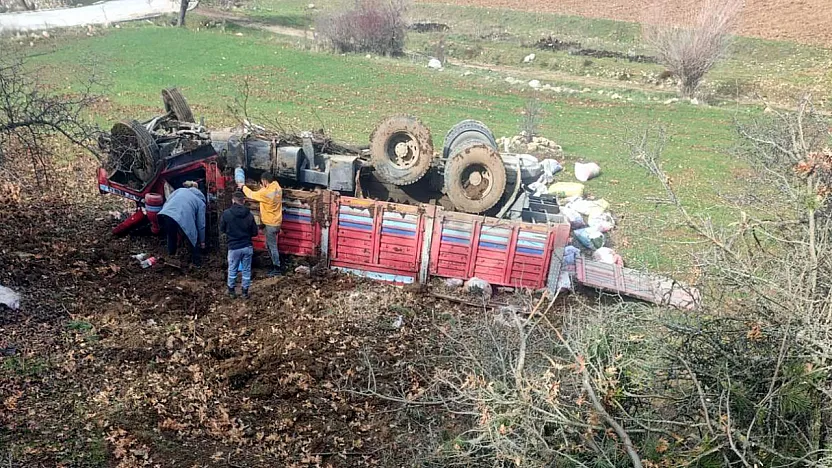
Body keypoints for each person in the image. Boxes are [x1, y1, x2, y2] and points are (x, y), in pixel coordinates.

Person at [239, 171, 283, 277]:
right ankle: (274, 263)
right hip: (277, 221)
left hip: (270, 223)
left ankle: (277, 268)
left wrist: (243, 186)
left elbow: (251, 194)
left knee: (272, 246)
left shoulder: (265, 194)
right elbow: (265, 190)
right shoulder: (277, 187)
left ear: (264, 181)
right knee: (270, 245)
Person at [220, 190, 259, 299]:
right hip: (247, 246)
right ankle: (245, 292)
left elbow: (222, 229)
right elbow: (255, 232)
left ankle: (231, 291)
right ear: (243, 201)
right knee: (246, 270)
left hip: (233, 247)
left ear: (233, 201)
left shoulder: (226, 214)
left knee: (232, 269)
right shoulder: (249, 215)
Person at [158, 181, 206, 267]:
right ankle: (197, 263)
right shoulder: (200, 202)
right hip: (183, 216)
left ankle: (171, 256)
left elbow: (168, 201)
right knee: (192, 238)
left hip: (166, 213)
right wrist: (202, 241)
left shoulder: (179, 190)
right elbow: (201, 224)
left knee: (171, 236)